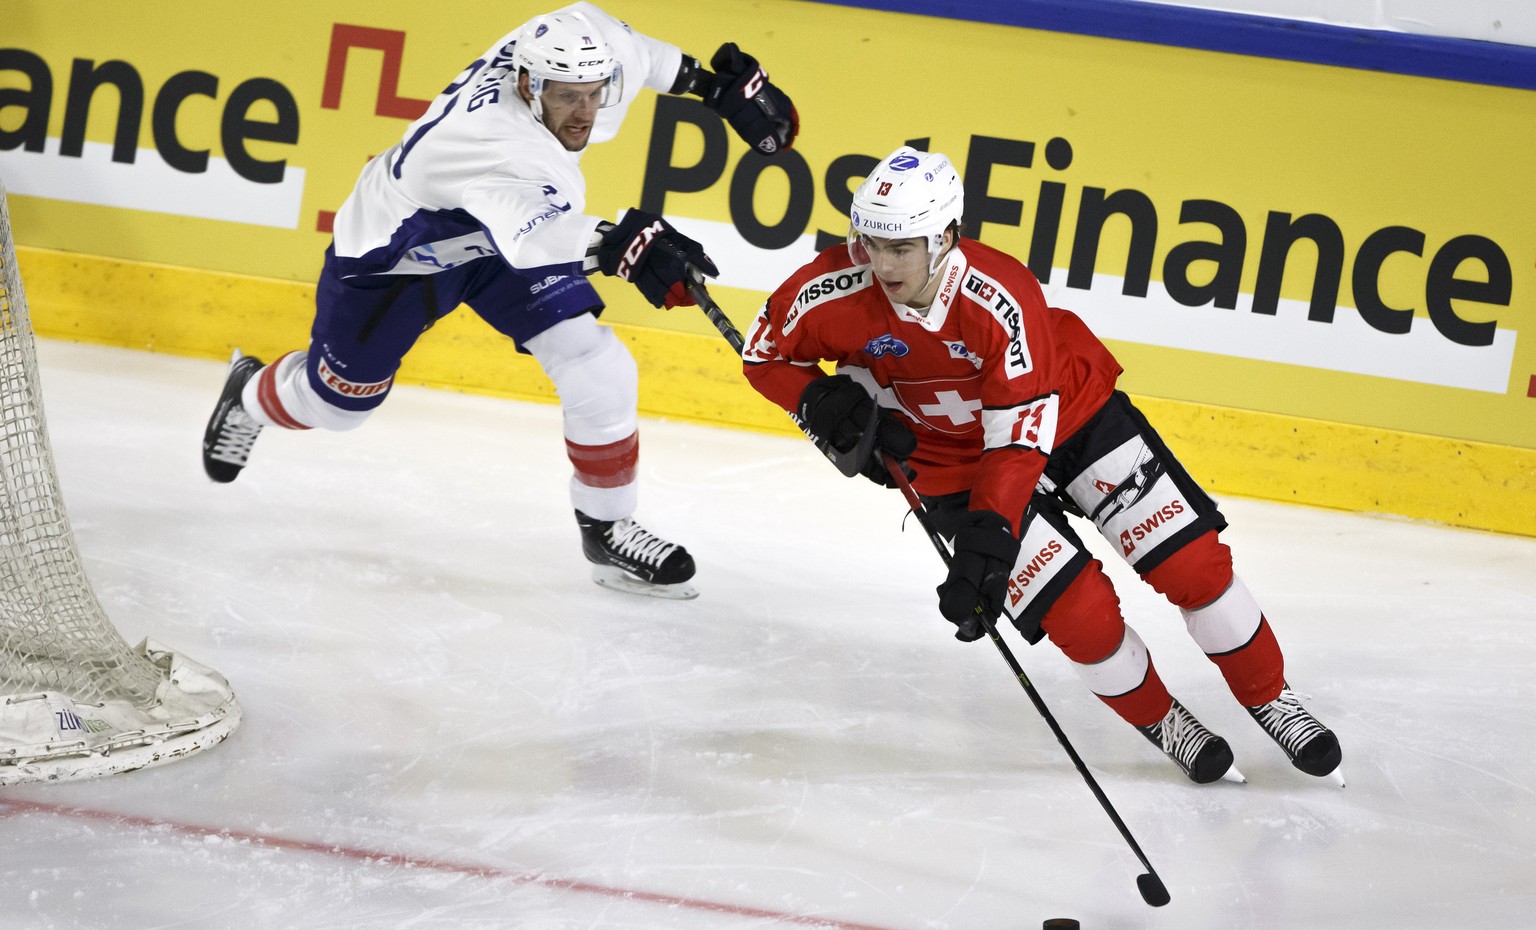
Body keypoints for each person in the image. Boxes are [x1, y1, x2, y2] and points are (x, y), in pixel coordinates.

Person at [741, 145, 1342, 784]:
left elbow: (1017, 440)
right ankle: (1162, 719)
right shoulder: (828, 288)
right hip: (945, 460)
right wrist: (814, 397)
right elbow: (762, 355)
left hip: (1069, 414)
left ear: (945, 237)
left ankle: (1269, 697)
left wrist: (989, 539)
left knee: (1190, 565)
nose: (879, 263)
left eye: (901, 248)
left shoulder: (1001, 295)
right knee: (1079, 619)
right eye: (868, 243)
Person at [201, 2, 797, 600]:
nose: (584, 112)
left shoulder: (585, 48)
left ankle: (607, 529)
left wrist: (712, 87)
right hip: (401, 257)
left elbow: (643, 56)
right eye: (567, 97)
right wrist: (623, 248)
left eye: (594, 93)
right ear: (526, 83)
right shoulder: (494, 145)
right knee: (337, 408)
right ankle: (249, 395)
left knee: (599, 365)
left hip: (498, 244)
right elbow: (537, 238)